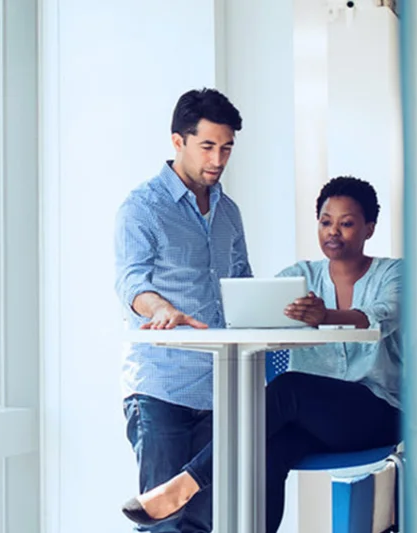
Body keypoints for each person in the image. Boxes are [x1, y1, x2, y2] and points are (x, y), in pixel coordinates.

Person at [120, 176, 403, 533]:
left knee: (288, 388)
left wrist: (326, 316)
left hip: (377, 413)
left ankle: (186, 483)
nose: (334, 231)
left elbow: (383, 314)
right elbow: (255, 312)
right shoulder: (300, 277)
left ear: (370, 228)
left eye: (347, 223)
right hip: (316, 424)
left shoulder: (395, 273)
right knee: (266, 452)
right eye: (326, 221)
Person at [113, 88, 251, 533]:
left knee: (210, 523)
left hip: (221, 390)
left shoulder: (229, 212)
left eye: (226, 147)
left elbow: (242, 285)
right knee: (165, 524)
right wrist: (161, 308)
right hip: (162, 390)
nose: (218, 159)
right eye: (207, 146)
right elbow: (132, 281)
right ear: (178, 141)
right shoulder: (143, 208)